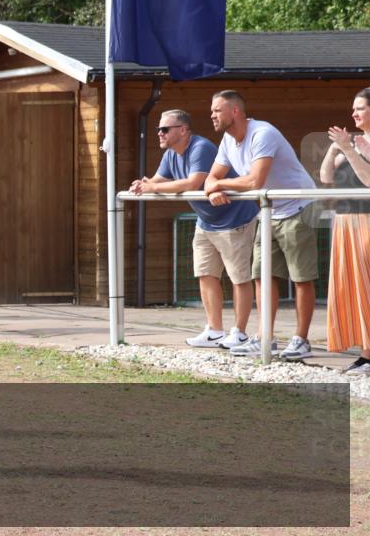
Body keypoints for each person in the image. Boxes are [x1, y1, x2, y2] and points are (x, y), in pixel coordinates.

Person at [130, 109, 259, 349]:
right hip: (206, 221)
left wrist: (154, 188)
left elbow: (192, 183)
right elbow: (156, 181)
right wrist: (144, 184)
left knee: (239, 278)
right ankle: (214, 330)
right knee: (205, 274)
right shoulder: (171, 154)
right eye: (158, 129)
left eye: (165, 129)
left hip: (235, 219)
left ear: (183, 130)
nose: (159, 133)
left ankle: (240, 332)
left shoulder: (201, 147)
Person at [205, 90, 319, 360]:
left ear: (235, 112)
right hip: (269, 211)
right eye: (212, 111)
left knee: (301, 277)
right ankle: (264, 337)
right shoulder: (227, 141)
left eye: (217, 110)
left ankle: (301, 340)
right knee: (261, 274)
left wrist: (220, 185)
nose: (212, 115)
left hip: (297, 206)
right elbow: (211, 177)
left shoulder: (262, 133)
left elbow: (255, 180)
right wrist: (213, 188)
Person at [320, 88, 370, 375]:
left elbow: (368, 180)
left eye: (360, 108)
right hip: (346, 223)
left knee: (367, 289)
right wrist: (333, 148)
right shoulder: (354, 142)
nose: (353, 114)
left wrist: (350, 149)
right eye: (353, 108)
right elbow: (326, 177)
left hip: (367, 221)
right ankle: (365, 354)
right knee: (351, 289)